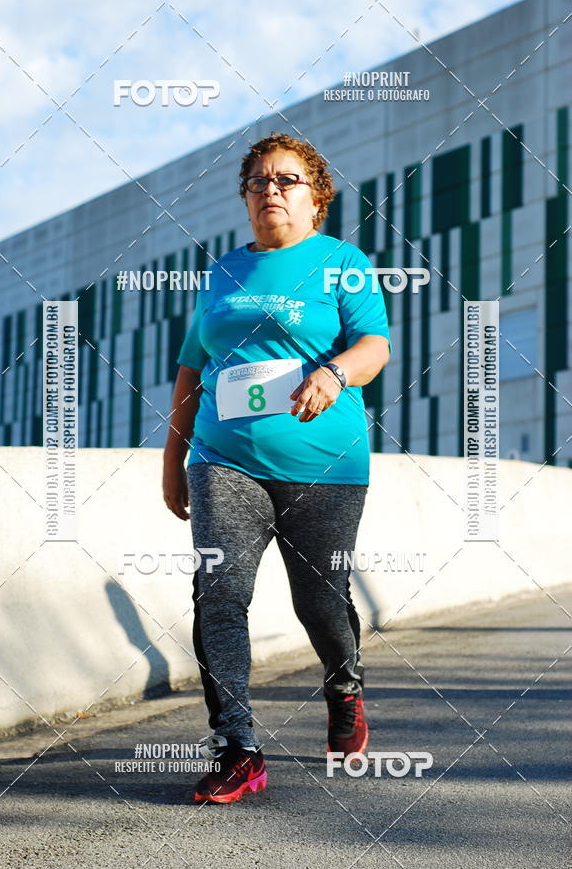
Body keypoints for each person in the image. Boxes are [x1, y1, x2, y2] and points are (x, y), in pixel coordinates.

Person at [162, 132, 391, 804]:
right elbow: (191, 369)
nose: (270, 191)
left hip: (325, 463)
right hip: (222, 459)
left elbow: (374, 346)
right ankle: (238, 748)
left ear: (316, 198)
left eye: (286, 180)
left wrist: (335, 372)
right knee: (219, 595)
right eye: (258, 182)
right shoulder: (223, 272)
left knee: (319, 598)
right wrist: (173, 460)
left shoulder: (343, 263)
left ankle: (344, 686)